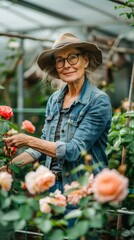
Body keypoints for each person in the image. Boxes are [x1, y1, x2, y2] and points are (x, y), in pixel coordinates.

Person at [3, 32, 112, 195]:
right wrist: (8, 168)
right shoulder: (55, 100)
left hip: (82, 189)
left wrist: (26, 139)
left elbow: (74, 150)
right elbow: (42, 147)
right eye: (60, 60)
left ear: (85, 60)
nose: (66, 65)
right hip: (51, 187)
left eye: (72, 57)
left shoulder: (98, 101)